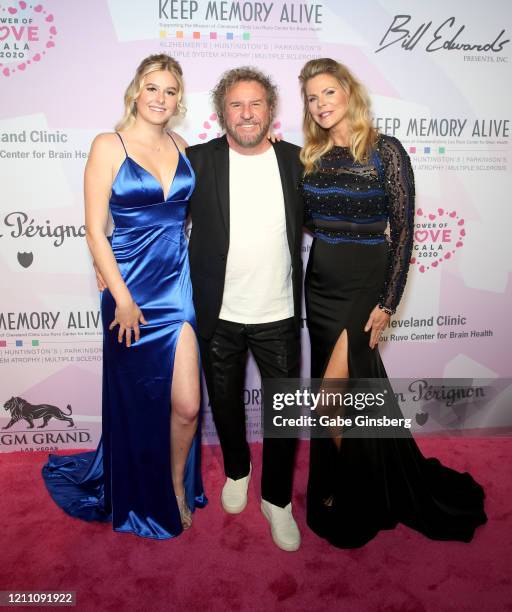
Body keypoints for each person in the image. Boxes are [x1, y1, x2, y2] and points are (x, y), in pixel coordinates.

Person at [299, 58, 487, 548]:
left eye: (328, 93)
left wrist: (388, 301)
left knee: (330, 402)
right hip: (319, 285)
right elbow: (302, 218)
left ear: (348, 93)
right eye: (312, 97)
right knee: (351, 395)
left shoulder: (386, 151)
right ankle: (353, 484)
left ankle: (356, 490)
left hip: (364, 287)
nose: (320, 104)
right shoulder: (311, 156)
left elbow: (404, 232)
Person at [42, 54, 206, 539]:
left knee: (188, 405)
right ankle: (134, 491)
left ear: (179, 101)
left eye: (170, 91)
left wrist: (268, 142)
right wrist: (121, 295)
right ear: (136, 92)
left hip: (177, 286)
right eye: (152, 88)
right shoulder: (108, 145)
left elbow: (190, 212)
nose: (161, 98)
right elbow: (95, 231)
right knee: (135, 399)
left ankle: (175, 485)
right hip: (127, 289)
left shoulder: (183, 144)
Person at [186, 67, 304, 551]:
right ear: (221, 112)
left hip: (277, 311)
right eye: (236, 104)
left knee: (284, 411)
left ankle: (277, 499)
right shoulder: (195, 161)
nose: (247, 113)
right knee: (225, 402)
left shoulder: (299, 161)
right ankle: (237, 469)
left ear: (271, 110)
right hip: (219, 312)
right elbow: (154, 216)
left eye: (256, 103)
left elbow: (334, 215)